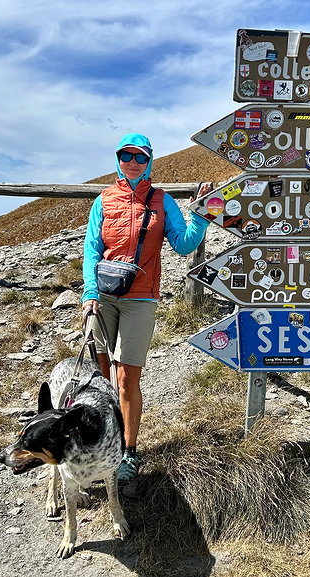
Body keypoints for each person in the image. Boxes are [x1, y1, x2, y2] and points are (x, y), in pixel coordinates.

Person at [81, 133, 211, 484]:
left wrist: (200, 215)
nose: (133, 162)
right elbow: (92, 249)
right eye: (126, 156)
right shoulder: (104, 201)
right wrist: (89, 294)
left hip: (141, 299)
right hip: (103, 297)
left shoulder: (161, 200)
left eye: (140, 157)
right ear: (118, 159)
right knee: (99, 375)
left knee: (126, 378)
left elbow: (184, 246)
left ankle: (128, 452)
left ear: (150, 161)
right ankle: (100, 444)